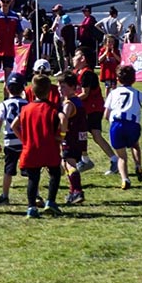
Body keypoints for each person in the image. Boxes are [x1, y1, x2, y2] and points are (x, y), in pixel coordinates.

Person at [13, 72, 63, 218]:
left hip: (31, 148)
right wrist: (60, 137)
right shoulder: (53, 109)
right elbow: (61, 123)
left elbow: (14, 125)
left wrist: (24, 139)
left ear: (32, 91)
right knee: (55, 173)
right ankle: (51, 202)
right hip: (49, 147)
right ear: (49, 91)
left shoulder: (25, 109)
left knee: (33, 179)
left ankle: (31, 207)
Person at [103, 63, 142, 188]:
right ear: (134, 79)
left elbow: (106, 115)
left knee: (122, 156)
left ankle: (125, 179)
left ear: (117, 79)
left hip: (116, 125)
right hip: (132, 125)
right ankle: (138, 165)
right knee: (135, 145)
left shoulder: (113, 93)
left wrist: (112, 123)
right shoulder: (137, 93)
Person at [0, 70, 28, 206]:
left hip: (10, 141)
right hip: (25, 141)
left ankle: (5, 195)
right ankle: (35, 195)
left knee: (8, 170)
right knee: (31, 170)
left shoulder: (4, 104)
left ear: (7, 88)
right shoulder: (27, 103)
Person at [58, 71, 88, 205]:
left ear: (72, 87)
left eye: (63, 86)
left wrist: (62, 133)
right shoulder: (78, 101)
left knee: (68, 163)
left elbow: (64, 118)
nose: (60, 89)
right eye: (59, 86)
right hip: (80, 137)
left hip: (70, 137)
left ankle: (77, 190)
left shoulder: (69, 104)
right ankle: (72, 191)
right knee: (70, 162)